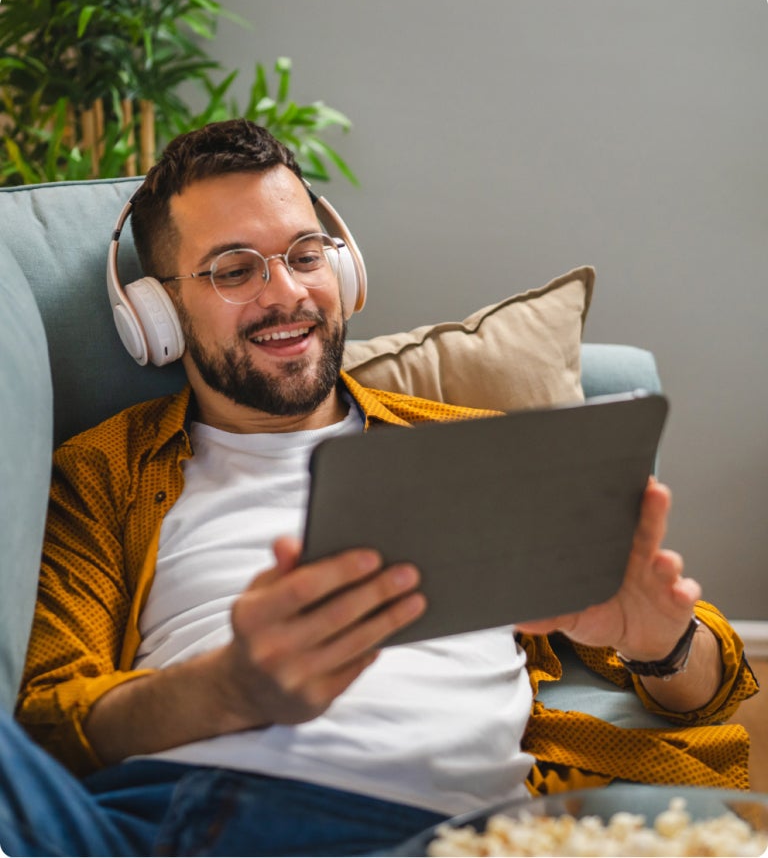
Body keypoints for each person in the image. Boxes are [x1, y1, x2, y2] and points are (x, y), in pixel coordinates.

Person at [2, 119, 758, 857]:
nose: (286, 293)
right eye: (235, 270)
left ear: (345, 268)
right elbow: (45, 721)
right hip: (169, 818)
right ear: (156, 314)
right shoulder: (103, 472)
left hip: (446, 836)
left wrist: (660, 640)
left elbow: (712, 689)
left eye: (305, 255)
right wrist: (230, 689)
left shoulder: (472, 446)